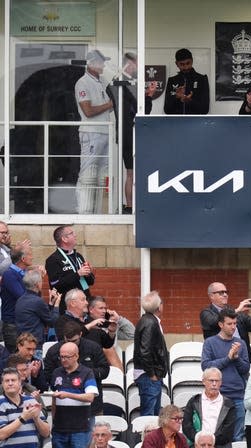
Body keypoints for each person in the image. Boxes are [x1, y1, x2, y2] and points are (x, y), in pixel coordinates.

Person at [106, 52, 155, 213]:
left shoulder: (119, 83)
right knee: (133, 173)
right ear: (129, 64)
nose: (138, 68)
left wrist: (147, 95)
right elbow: (141, 110)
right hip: (131, 133)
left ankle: (131, 205)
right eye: (136, 64)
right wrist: (148, 96)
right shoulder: (123, 84)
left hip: (128, 133)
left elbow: (139, 108)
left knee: (132, 173)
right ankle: (131, 205)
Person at [201, 308, 250, 442]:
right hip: (218, 396)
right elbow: (206, 366)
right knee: (216, 435)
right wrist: (228, 358)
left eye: (235, 323)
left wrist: (236, 358)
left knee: (238, 436)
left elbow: (245, 369)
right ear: (221, 324)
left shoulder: (241, 343)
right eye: (230, 324)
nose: (233, 327)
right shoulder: (210, 343)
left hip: (238, 396)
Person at [44, 320, 109, 419]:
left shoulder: (93, 347)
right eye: (68, 340)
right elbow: (48, 376)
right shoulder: (54, 351)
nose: (71, 343)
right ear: (64, 337)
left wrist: (85, 375)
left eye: (74, 341)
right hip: (63, 408)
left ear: (81, 334)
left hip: (92, 407)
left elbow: (105, 370)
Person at [74, 49, 113, 214]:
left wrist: (111, 105)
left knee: (101, 174)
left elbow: (109, 107)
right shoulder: (82, 82)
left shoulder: (103, 81)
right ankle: (84, 212)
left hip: (105, 131)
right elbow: (88, 111)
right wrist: (111, 104)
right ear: (92, 64)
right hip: (91, 132)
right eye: (100, 62)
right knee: (88, 173)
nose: (103, 65)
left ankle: (97, 212)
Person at [200, 282, 251, 361]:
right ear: (211, 296)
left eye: (226, 292)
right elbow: (213, 323)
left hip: (242, 357)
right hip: (219, 359)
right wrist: (236, 311)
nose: (225, 295)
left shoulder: (234, 311)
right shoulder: (206, 312)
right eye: (221, 293)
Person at [50, 341, 99, 448]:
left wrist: (68, 395)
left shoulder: (87, 373)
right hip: (59, 429)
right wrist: (53, 421)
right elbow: (54, 399)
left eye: (67, 357)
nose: (63, 360)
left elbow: (90, 397)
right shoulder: (56, 373)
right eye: (61, 357)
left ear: (76, 356)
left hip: (80, 430)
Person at [133, 291, 170, 416]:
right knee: (149, 415)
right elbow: (145, 351)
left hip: (150, 374)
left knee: (154, 414)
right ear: (159, 307)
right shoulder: (150, 323)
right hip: (148, 375)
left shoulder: (149, 321)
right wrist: (152, 374)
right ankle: (147, 436)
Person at [45, 225, 95, 314]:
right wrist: (77, 274)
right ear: (64, 239)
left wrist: (88, 274)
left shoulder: (78, 256)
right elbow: (55, 285)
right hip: (68, 307)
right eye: (71, 233)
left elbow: (91, 282)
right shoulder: (53, 259)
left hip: (85, 303)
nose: (75, 235)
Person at [182, 367, 235, 448]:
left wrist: (210, 442)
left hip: (220, 445)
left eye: (217, 381)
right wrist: (200, 441)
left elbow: (228, 431)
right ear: (204, 381)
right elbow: (186, 425)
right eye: (211, 380)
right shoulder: (193, 401)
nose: (214, 384)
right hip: (197, 444)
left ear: (221, 382)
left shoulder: (229, 404)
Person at [0, 367, 50, 448]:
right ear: (2, 384)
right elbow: (1, 435)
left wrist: (37, 418)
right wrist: (23, 417)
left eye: (13, 380)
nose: (10, 383)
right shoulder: (0, 403)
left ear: (20, 382)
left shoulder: (31, 401)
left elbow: (46, 433)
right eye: (7, 381)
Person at [0, 243, 37, 352]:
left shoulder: (24, 273)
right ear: (23, 259)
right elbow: (23, 297)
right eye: (30, 254)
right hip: (12, 324)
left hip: (24, 322)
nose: (32, 257)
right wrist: (34, 282)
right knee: (15, 358)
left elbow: (34, 297)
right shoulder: (10, 274)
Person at [15, 269, 62, 350]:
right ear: (37, 285)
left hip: (23, 343)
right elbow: (52, 322)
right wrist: (57, 304)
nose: (42, 283)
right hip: (34, 344)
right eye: (41, 281)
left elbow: (42, 315)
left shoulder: (21, 299)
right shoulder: (37, 301)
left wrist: (51, 303)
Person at [87, 296, 133, 370]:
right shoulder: (87, 326)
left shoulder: (110, 325)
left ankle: (121, 376)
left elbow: (132, 335)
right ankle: (121, 376)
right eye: (101, 308)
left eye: (105, 308)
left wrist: (119, 319)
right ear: (91, 310)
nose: (104, 311)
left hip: (113, 367)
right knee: (108, 349)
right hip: (96, 365)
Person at [164, 48, 210, 115]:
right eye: (182, 64)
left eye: (188, 63)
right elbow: (167, 110)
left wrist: (190, 101)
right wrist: (176, 97)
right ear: (176, 64)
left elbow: (205, 109)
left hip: (196, 123)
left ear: (192, 61)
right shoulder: (172, 80)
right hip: (176, 123)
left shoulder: (202, 79)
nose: (186, 67)